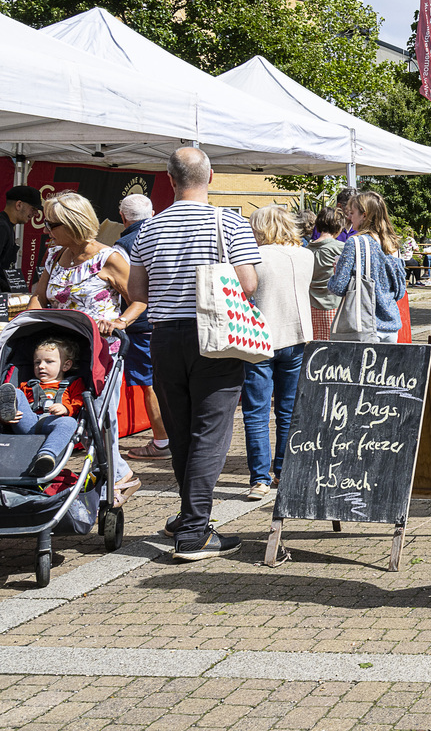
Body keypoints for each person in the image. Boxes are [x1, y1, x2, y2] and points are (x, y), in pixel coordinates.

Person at [126, 147, 262, 561]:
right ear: (212, 176)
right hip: (216, 334)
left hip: (164, 335)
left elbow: (136, 293)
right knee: (212, 430)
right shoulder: (230, 222)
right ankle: (195, 530)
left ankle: (191, 517)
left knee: (182, 429)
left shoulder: (148, 229)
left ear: (169, 179)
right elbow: (249, 283)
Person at [26, 190, 143, 503]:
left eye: (51, 224)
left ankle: (119, 475)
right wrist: (29, 317)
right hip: (59, 352)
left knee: (99, 419)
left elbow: (140, 299)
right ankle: (120, 474)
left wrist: (120, 323)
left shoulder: (110, 258)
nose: (46, 229)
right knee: (66, 415)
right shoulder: (53, 256)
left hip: (101, 353)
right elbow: (39, 295)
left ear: (73, 224)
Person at [242, 204, 313, 499]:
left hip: (260, 336)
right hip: (296, 335)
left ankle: (260, 477)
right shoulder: (306, 254)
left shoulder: (255, 256)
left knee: (256, 412)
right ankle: (284, 469)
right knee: (287, 409)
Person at [114, 194, 169, 462]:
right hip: (173, 319)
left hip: (142, 323)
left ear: (123, 217)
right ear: (154, 212)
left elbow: (130, 291)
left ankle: (162, 442)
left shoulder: (123, 245)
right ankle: (172, 438)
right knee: (169, 382)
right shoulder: (167, 235)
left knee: (150, 385)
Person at [1, 334, 87, 476]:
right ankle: (8, 410)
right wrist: (7, 418)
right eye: (37, 362)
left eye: (49, 362)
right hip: (29, 422)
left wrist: (66, 408)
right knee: (15, 393)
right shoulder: (26, 385)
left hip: (54, 422)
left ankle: (46, 457)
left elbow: (79, 402)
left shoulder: (73, 383)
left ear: (66, 365)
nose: (41, 366)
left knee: (70, 422)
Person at [329, 190, 409, 344]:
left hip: (365, 325)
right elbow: (399, 292)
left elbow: (338, 287)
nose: (349, 217)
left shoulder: (355, 243)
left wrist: (337, 270)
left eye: (352, 213)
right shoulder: (393, 244)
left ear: (364, 215)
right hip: (391, 326)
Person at [307, 208, 344, 340]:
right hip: (334, 304)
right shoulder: (341, 248)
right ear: (339, 227)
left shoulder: (306, 250)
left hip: (310, 304)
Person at [0, 185, 44, 288]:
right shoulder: (2, 227)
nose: (35, 214)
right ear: (19, 205)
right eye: (33, 209)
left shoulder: (8, 226)